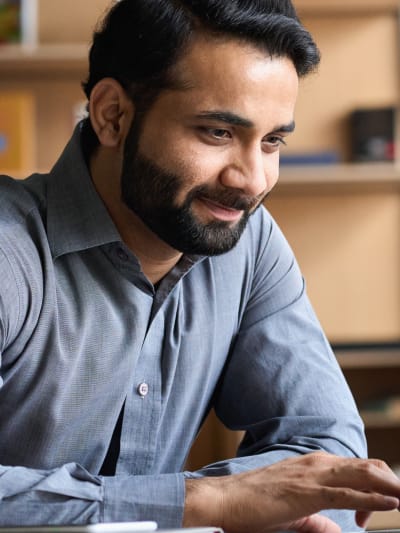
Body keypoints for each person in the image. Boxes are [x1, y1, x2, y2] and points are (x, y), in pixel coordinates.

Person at [0, 0, 400, 531]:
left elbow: (329, 451)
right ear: (112, 115)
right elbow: (242, 497)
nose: (252, 180)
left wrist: (275, 509)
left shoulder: (250, 244)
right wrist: (205, 503)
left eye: (273, 141)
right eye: (217, 132)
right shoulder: (11, 250)